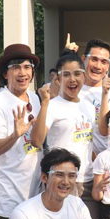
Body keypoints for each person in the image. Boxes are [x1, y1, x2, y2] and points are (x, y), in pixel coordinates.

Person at [31, 53, 96, 208]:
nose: (72, 79)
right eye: (66, 75)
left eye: (77, 74)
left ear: (84, 77)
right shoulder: (52, 106)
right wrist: (45, 103)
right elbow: (36, 141)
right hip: (63, 181)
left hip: (87, 180)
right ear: (58, 79)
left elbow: (87, 143)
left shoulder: (89, 107)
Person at [0, 44, 43, 219]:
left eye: (27, 67)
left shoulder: (35, 98)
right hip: (7, 197)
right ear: (5, 74)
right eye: (16, 67)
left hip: (34, 194)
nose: (22, 73)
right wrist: (15, 135)